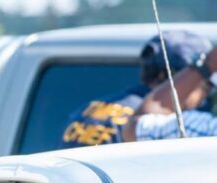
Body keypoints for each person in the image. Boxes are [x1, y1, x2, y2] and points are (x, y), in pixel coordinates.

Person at [61, 30, 212, 148]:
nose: (205, 97)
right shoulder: (158, 123)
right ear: (174, 79)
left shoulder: (87, 110)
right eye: (205, 85)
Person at [124, 42, 217, 141]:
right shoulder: (208, 129)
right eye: (206, 85)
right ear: (164, 76)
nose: (205, 96)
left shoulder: (206, 130)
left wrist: (207, 64)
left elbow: (134, 128)